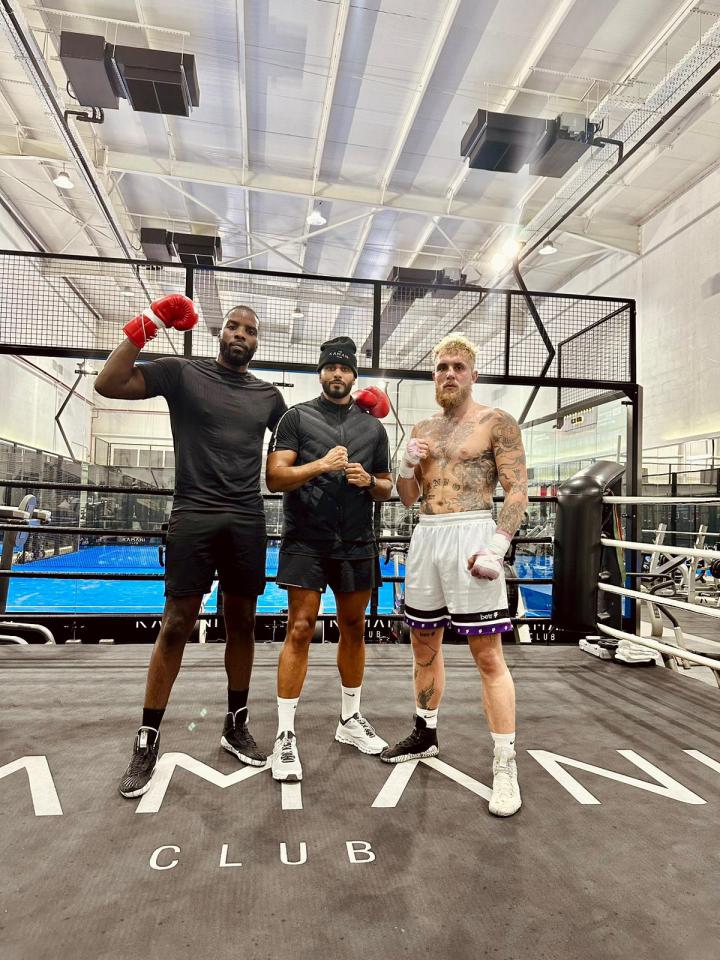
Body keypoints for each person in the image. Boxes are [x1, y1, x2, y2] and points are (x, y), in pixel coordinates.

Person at [94, 295, 287, 798]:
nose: (241, 334)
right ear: (220, 333)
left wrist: (353, 422)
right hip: (194, 513)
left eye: (250, 330)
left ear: (257, 342)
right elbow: (108, 383)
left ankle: (236, 723)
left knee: (242, 621)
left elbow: (297, 445)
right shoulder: (182, 373)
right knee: (177, 622)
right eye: (234, 326)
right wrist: (150, 322)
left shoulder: (268, 396)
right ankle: (148, 736)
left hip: (246, 517)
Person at [380, 333, 528, 818]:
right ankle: (425, 733)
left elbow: (518, 491)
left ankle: (505, 763)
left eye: (457, 367)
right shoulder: (423, 427)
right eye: (441, 367)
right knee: (423, 646)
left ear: (472, 374)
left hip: (473, 533)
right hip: (427, 536)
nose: (448, 374)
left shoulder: (496, 422)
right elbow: (406, 498)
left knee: (488, 656)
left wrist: (498, 547)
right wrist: (404, 463)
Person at [265, 337, 393, 782]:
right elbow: (275, 476)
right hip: (307, 539)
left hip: (357, 540)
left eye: (345, 368)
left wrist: (365, 481)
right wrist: (319, 465)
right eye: (330, 367)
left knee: (355, 627)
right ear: (320, 373)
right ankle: (284, 735)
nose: (337, 374)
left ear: (355, 376)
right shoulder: (296, 418)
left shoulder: (372, 429)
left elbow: (387, 486)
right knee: (299, 628)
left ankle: (350, 721)